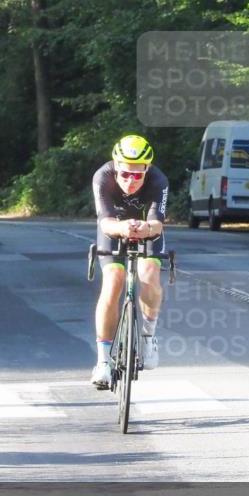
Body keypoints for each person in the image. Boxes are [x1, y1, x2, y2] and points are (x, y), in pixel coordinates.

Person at [90, 135, 169, 389]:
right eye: (124, 174)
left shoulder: (159, 180)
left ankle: (148, 336)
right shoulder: (102, 176)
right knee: (113, 282)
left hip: (147, 229)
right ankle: (103, 361)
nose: (130, 181)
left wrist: (145, 227)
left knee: (149, 274)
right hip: (114, 227)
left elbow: (158, 223)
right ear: (115, 166)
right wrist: (123, 227)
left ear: (147, 169)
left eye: (137, 175)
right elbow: (104, 221)